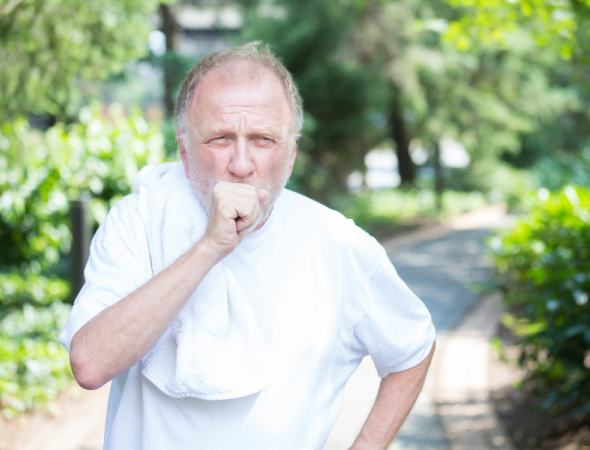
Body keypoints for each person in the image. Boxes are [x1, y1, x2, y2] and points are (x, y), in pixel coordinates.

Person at [59, 41, 436, 450]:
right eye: (220, 139)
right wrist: (208, 248)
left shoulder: (337, 243)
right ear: (185, 152)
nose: (241, 165)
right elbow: (90, 364)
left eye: (262, 140)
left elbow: (411, 348)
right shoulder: (140, 220)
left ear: (290, 156)